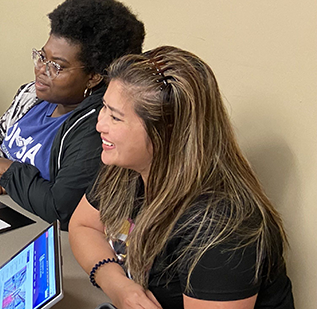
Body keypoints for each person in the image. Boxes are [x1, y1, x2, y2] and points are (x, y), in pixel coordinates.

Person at [69, 46, 293, 309]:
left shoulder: (222, 229)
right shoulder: (126, 164)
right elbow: (83, 226)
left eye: (116, 117)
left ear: (166, 131)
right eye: (104, 107)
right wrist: (119, 286)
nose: (100, 124)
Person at [0, 0, 145, 228]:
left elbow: (62, 209)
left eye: (57, 66)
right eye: (42, 57)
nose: (41, 70)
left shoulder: (95, 130)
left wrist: (11, 173)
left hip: (35, 230)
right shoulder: (32, 95)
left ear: (94, 76)